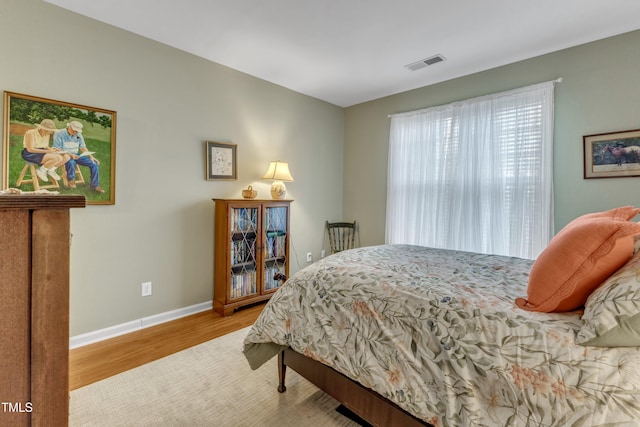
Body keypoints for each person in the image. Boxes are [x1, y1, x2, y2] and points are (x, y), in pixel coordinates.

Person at [53, 120, 104, 193]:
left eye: (77, 131)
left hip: (76, 154)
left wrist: (91, 157)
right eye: (74, 131)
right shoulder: (59, 133)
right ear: (69, 127)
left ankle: (95, 186)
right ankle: (71, 179)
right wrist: (70, 155)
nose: (75, 132)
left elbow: (82, 147)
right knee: (71, 162)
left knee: (94, 164)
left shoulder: (78, 135)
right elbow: (57, 149)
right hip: (63, 155)